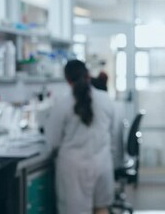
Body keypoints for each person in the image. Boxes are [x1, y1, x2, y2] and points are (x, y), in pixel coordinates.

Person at [46, 60, 117, 214]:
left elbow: (52, 141)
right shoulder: (105, 100)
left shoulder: (62, 104)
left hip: (73, 169)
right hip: (102, 163)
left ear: (67, 79)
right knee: (102, 208)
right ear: (88, 75)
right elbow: (113, 133)